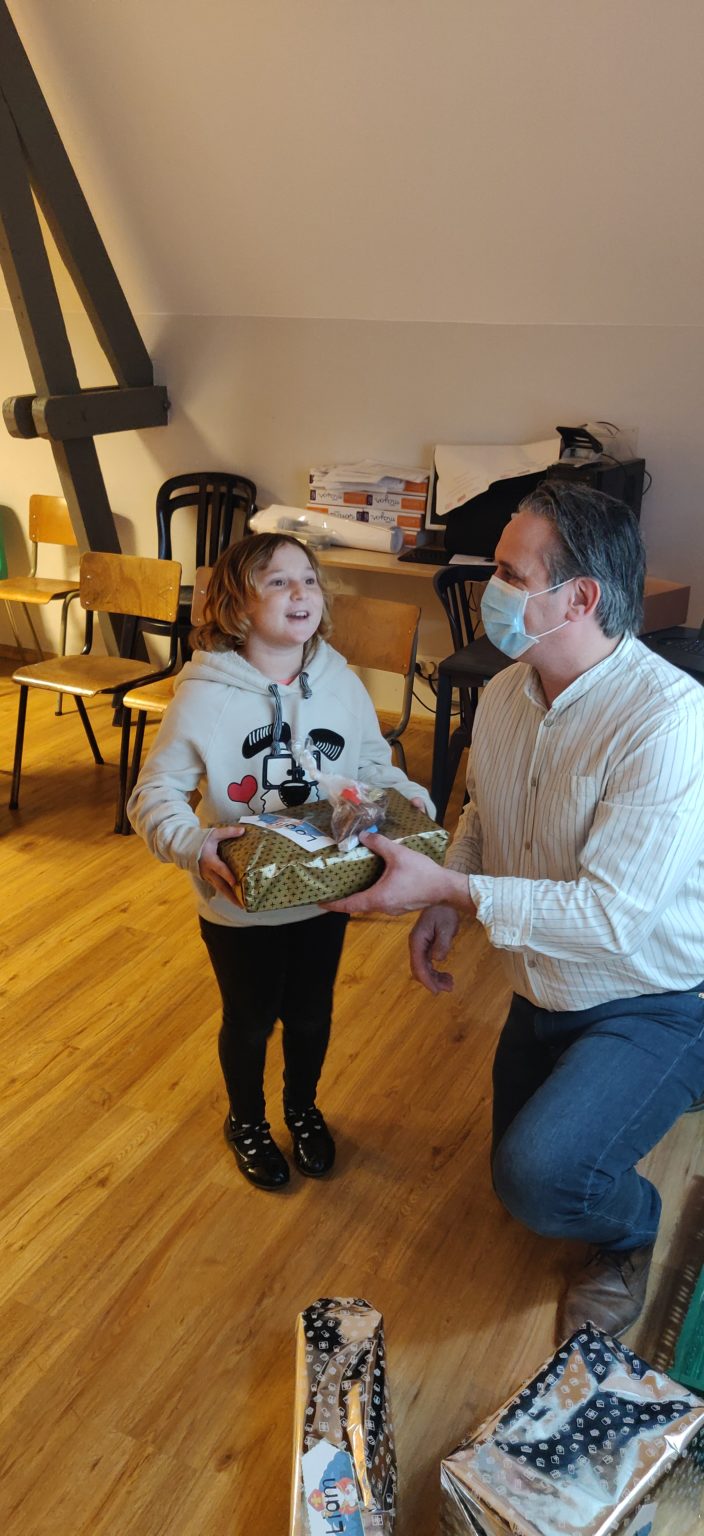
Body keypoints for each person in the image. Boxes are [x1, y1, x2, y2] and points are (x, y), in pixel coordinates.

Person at [326, 482, 704, 1339]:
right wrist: (449, 899)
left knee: (542, 1181)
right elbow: (481, 814)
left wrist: (450, 890)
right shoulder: (504, 694)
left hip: (652, 996)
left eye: (508, 572)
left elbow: (612, 920)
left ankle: (634, 1232)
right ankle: (629, 1094)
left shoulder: (668, 721)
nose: (487, 587)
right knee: (519, 1180)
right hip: (543, 992)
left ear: (579, 598)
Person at [128, 533, 431, 1191]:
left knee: (312, 1014)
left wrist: (406, 798)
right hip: (240, 904)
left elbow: (371, 766)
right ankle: (246, 1121)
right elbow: (153, 793)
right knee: (250, 1019)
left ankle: (302, 1109)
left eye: (309, 579)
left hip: (327, 890)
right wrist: (193, 844)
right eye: (277, 581)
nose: (301, 592)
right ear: (236, 604)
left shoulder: (341, 682)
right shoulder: (204, 696)